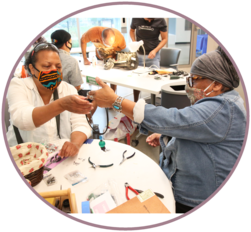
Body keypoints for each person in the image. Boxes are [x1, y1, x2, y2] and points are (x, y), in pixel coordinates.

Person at [87, 46, 246, 215]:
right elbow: (195, 128)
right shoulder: (222, 102)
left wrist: (115, 101)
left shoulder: (223, 108)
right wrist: (168, 134)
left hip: (197, 199)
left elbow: (174, 119)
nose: (189, 86)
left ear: (217, 84)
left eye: (195, 80)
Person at [7, 42, 93, 158]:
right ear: (32, 69)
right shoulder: (18, 85)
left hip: (58, 157)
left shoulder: (68, 89)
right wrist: (61, 105)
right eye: (47, 66)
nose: (54, 71)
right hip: (25, 159)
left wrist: (75, 144)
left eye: (58, 67)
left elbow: (81, 124)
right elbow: (22, 119)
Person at [51, 30, 97, 117]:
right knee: (96, 96)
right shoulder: (71, 61)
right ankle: (87, 120)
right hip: (67, 97)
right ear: (67, 43)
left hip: (50, 96)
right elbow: (77, 87)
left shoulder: (47, 57)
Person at [130, 16, 168, 102]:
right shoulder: (136, 17)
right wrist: (134, 41)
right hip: (139, 54)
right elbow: (131, 30)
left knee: (155, 80)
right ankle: (135, 102)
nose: (150, 20)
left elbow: (164, 39)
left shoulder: (160, 19)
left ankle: (156, 103)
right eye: (148, 19)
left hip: (153, 56)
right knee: (137, 81)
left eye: (152, 19)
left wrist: (155, 50)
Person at [81, 26, 127, 93]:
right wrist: (85, 58)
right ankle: (105, 93)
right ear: (101, 38)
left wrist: (115, 58)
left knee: (113, 78)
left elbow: (123, 50)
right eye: (107, 44)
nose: (109, 46)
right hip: (100, 57)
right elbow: (83, 41)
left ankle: (112, 94)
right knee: (103, 78)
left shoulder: (120, 37)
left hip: (112, 57)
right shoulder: (93, 32)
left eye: (112, 44)